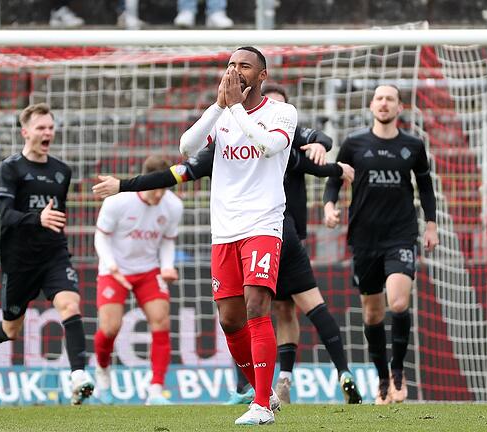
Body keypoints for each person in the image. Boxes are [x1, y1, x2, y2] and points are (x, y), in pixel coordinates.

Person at [92, 83, 362, 406]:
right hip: (233, 235)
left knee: (264, 308)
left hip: (272, 231)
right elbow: (178, 167)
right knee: (241, 315)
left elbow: (313, 151)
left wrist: (326, 154)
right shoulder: (223, 137)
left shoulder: (283, 130)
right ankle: (260, 386)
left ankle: (267, 396)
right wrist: (124, 186)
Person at [178, 47, 295, 425]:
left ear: (261, 75)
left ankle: (261, 405)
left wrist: (237, 110)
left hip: (262, 223)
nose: (235, 70)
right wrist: (218, 107)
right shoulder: (223, 116)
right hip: (223, 228)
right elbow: (186, 147)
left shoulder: (282, 113)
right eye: (230, 64)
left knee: (256, 306)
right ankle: (265, 393)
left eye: (244, 65)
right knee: (230, 319)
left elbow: (268, 145)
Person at [323, 84, 439, 405]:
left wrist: (431, 224)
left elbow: (426, 188)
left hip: (400, 234)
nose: (384, 103)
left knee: (399, 303)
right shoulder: (354, 144)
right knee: (373, 314)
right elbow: (335, 178)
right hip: (364, 238)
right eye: (379, 98)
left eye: (390, 99)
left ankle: (399, 370)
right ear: (372, 105)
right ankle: (382, 379)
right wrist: (329, 206)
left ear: (399, 107)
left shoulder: (413, 146)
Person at [0, 103, 94, 405]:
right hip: (19, 260)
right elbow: (6, 215)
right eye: (41, 128)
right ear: (25, 132)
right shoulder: (10, 169)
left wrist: (47, 222)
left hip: (53, 254)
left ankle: (78, 376)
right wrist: (37, 217)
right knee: (11, 329)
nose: (47, 133)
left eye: (50, 127)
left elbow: (57, 214)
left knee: (70, 304)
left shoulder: (62, 171)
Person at [93, 156, 184, 406]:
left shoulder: (173, 206)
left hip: (147, 271)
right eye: (155, 188)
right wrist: (112, 267)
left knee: (161, 320)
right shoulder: (118, 201)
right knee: (110, 327)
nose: (159, 195)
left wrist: (166, 267)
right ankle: (102, 374)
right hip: (114, 270)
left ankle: (155, 390)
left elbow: (167, 240)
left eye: (164, 188)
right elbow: (101, 238)